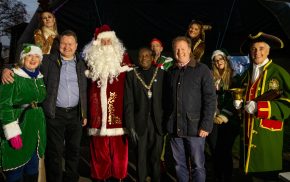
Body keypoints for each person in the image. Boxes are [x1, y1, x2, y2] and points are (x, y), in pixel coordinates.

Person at [2, 30, 88, 182]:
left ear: (76, 46)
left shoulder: (82, 64)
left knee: (74, 151)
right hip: (55, 114)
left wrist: (84, 113)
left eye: (70, 44)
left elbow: (86, 89)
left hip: (76, 115)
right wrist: (5, 69)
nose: (67, 47)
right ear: (58, 45)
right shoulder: (48, 60)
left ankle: (71, 178)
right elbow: (24, 65)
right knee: (54, 152)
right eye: (63, 43)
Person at [234, 32, 290, 181]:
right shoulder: (246, 74)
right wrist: (238, 103)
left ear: (269, 50)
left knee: (266, 177)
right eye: (253, 48)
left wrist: (261, 108)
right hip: (246, 135)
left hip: (267, 136)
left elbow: (288, 103)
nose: (257, 52)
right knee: (248, 175)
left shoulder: (279, 72)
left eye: (261, 48)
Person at [82, 24, 132, 181]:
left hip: (117, 108)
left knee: (119, 146)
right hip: (96, 109)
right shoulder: (89, 60)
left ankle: (118, 175)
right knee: (99, 146)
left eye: (109, 40)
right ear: (97, 42)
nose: (106, 43)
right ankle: (100, 174)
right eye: (102, 40)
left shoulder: (123, 57)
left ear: (114, 41)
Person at [165, 36, 216, 182]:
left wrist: (206, 125)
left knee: (198, 165)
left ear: (189, 50)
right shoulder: (171, 72)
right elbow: (167, 100)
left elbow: (210, 99)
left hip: (196, 128)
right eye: (176, 49)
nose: (180, 52)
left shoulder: (202, 70)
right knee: (178, 165)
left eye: (183, 49)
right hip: (175, 128)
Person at [0, 44, 46, 182]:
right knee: (15, 169)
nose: (33, 59)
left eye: (37, 56)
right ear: (22, 58)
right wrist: (12, 132)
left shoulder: (39, 77)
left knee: (32, 169)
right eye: (29, 55)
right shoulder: (12, 76)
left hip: (36, 129)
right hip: (19, 127)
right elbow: (3, 105)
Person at [124, 47, 165, 182]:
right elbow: (128, 102)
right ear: (137, 58)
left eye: (147, 55)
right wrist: (130, 125)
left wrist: (165, 122)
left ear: (152, 57)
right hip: (139, 122)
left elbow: (167, 100)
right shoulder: (132, 75)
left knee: (155, 156)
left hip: (157, 123)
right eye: (141, 56)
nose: (144, 58)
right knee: (140, 156)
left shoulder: (161, 74)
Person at [211, 49, 240, 182]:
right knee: (215, 149)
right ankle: (218, 175)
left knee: (226, 149)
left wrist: (224, 114)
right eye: (216, 60)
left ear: (225, 60)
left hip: (230, 120)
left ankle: (227, 176)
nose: (219, 62)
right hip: (214, 119)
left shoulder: (235, 76)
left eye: (221, 59)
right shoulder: (211, 77)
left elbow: (235, 99)